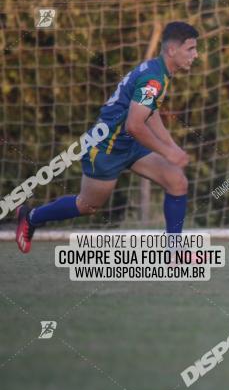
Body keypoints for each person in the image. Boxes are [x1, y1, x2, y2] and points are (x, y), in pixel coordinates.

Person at [15, 21, 199, 254]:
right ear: (172, 50)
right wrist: (167, 151)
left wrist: (171, 146)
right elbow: (134, 125)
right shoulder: (154, 78)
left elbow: (150, 115)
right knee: (88, 205)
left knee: (177, 181)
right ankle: (31, 217)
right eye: (191, 48)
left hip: (129, 144)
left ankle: (174, 252)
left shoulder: (159, 71)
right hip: (105, 148)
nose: (196, 54)